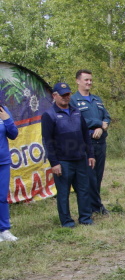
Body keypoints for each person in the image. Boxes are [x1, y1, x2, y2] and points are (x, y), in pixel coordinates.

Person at [41, 82, 96, 228]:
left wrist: (90, 154)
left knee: (84, 190)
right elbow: (48, 141)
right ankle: (66, 221)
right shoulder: (49, 115)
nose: (66, 97)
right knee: (63, 193)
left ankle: (85, 218)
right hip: (63, 161)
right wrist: (54, 163)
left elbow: (85, 134)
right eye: (63, 95)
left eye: (68, 94)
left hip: (80, 159)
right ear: (54, 95)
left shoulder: (77, 111)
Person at [71, 69, 111, 215]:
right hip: (85, 143)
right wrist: (98, 123)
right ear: (77, 81)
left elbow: (107, 117)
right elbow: (76, 119)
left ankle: (95, 206)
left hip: (100, 143)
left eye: (90, 80)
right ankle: (94, 207)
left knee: (98, 176)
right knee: (89, 177)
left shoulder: (97, 99)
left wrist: (103, 124)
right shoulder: (73, 100)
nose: (89, 82)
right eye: (86, 80)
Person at [0, 104, 20, 241]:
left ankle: (4, 230)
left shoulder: (3, 109)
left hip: (3, 161)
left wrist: (7, 119)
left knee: (2, 197)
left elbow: (13, 134)